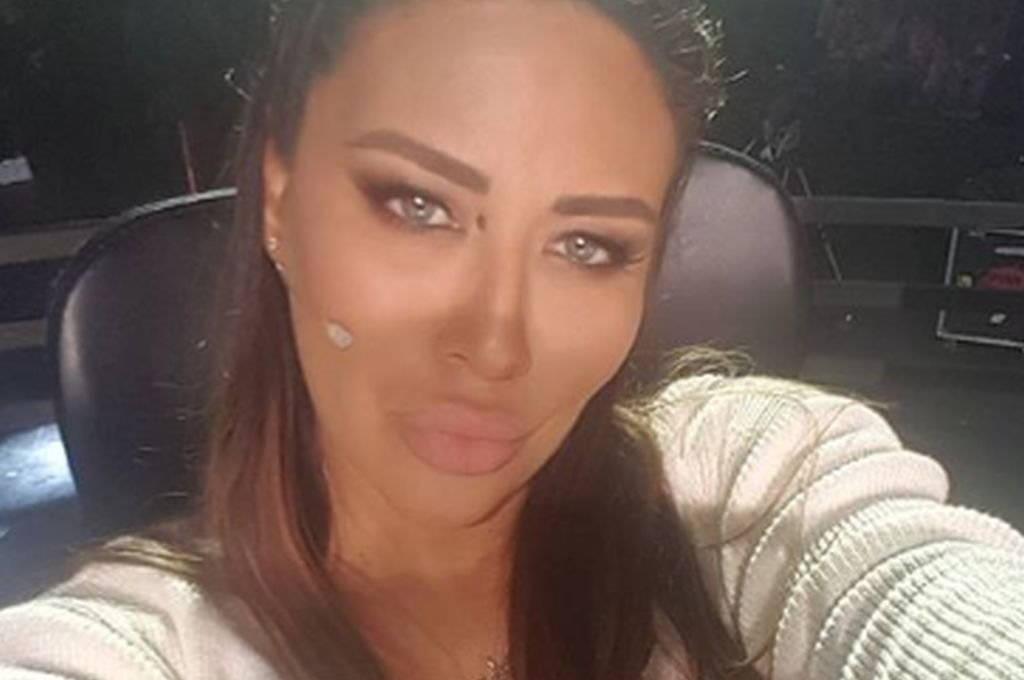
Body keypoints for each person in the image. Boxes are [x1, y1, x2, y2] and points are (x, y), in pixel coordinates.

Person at [1, 0, 1023, 679]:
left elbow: (917, 593)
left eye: (587, 244)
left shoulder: (741, 487)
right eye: (418, 204)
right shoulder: (141, 646)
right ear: (278, 199)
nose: (497, 346)